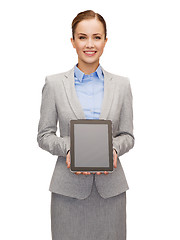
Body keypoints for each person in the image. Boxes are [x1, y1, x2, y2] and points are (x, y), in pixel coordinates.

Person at [37, 10, 134, 240]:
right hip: (68, 192)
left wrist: (113, 149)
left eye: (96, 37)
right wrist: (71, 148)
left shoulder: (121, 85)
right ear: (73, 41)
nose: (89, 44)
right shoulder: (54, 84)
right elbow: (44, 135)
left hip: (110, 193)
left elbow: (128, 135)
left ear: (105, 41)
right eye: (82, 37)